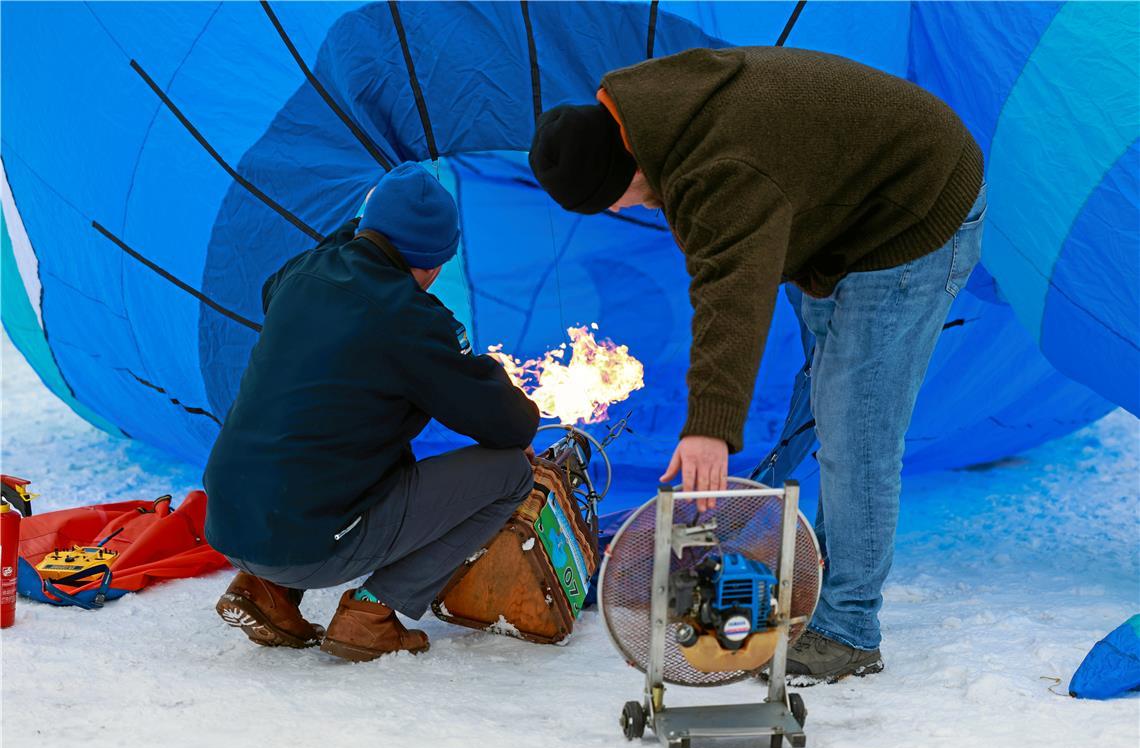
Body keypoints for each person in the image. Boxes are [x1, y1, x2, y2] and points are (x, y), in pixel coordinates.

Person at [528, 47, 986, 682]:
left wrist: (708, 427)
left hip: (912, 205)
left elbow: (730, 295)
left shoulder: (720, 171)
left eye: (626, 199)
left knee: (857, 433)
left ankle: (849, 630)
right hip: (838, 209)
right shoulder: (650, 105)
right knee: (830, 399)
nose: (635, 209)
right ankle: (820, 572)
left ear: (627, 161)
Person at [204, 162, 539, 662]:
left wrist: (365, 230)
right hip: (312, 545)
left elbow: (307, 269)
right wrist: (483, 370)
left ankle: (263, 588)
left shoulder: (299, 275)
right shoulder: (410, 319)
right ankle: (372, 612)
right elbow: (508, 425)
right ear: (435, 263)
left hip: (228, 521)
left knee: (329, 435)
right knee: (511, 473)